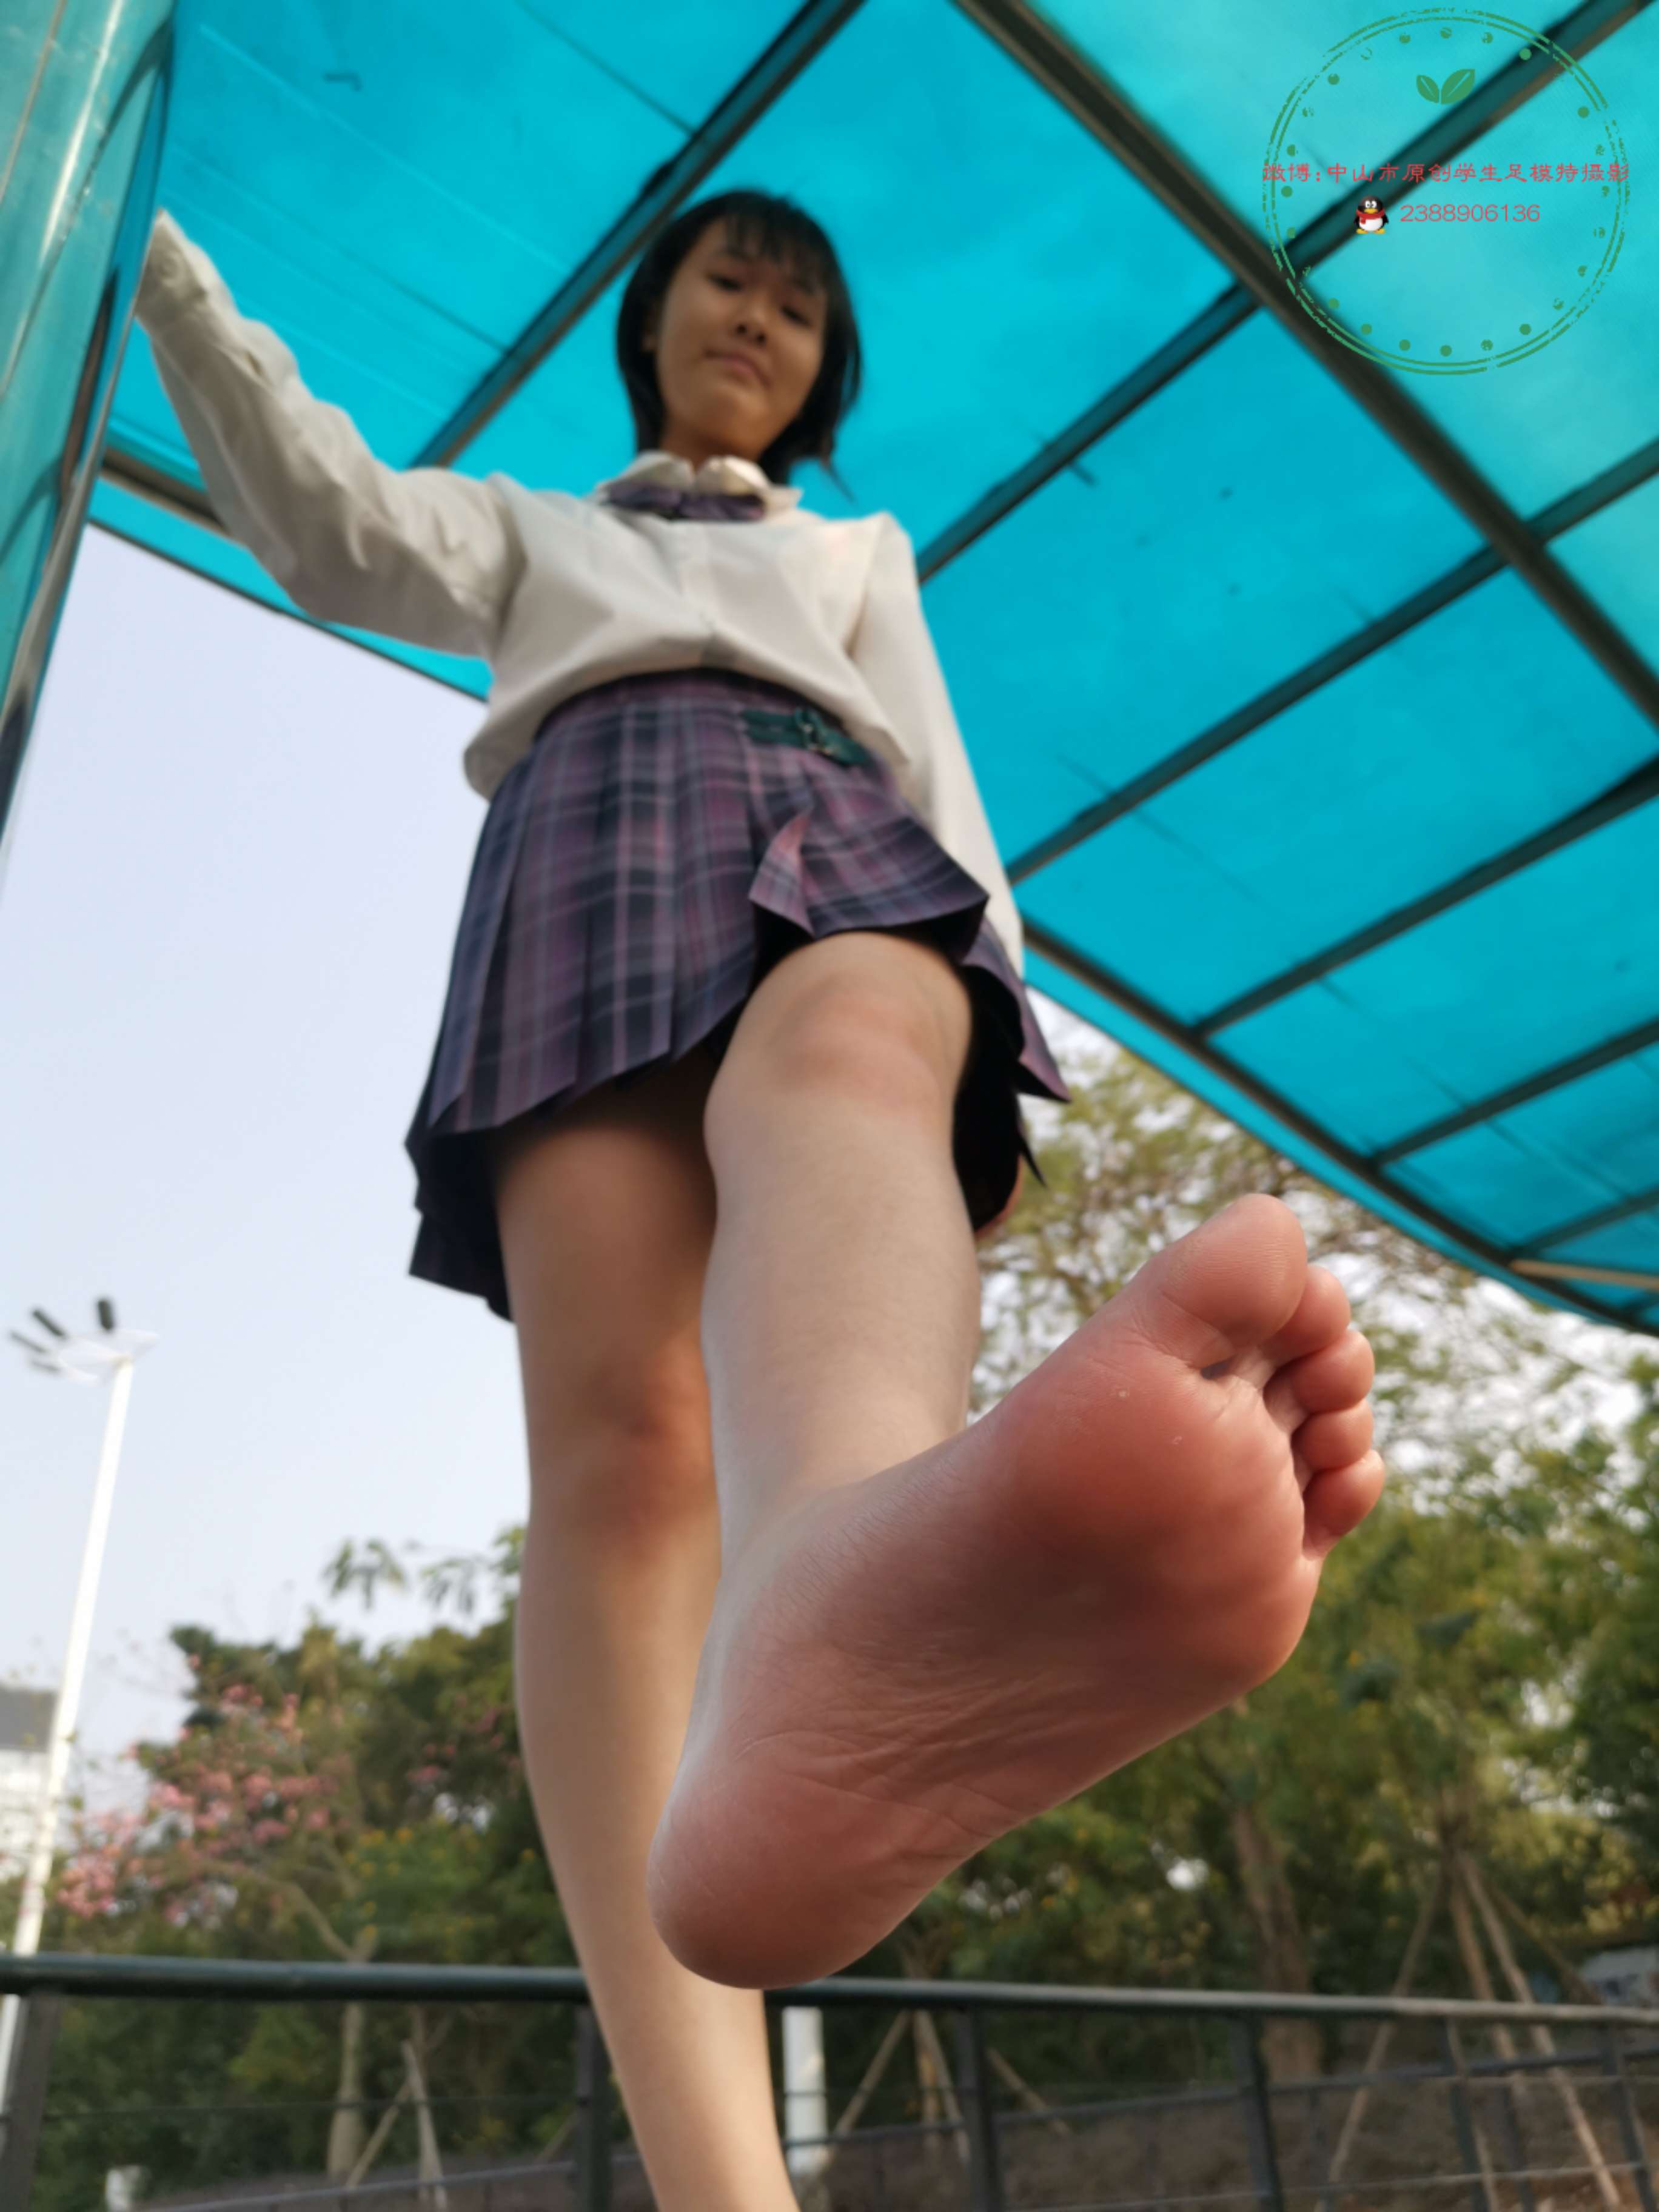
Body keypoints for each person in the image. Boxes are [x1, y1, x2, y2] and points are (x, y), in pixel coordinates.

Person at [135, 189, 1384, 2209]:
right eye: (729, 279)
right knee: (627, 1454)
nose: (758, 318)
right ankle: (727, 2188)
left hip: (830, 797)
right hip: (589, 824)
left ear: (821, 374)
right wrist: (168, 272)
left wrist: (992, 1046)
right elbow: (322, 517)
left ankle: (839, 1565)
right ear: (651, 317)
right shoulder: (535, 530)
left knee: (869, 1035)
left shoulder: (856, 553)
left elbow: (948, 798)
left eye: (798, 307)